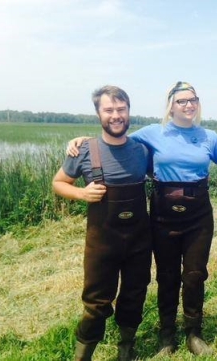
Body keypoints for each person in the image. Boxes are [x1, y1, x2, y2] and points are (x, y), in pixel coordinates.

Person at [68, 81, 217, 357]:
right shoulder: (153, 133)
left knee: (194, 275)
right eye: (181, 101)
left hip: (199, 214)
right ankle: (166, 334)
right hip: (163, 214)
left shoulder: (209, 137)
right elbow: (117, 138)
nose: (188, 105)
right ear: (170, 105)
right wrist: (82, 141)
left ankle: (194, 333)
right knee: (167, 276)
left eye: (193, 100)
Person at [53, 85, 152, 361]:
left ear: (129, 112)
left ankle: (126, 347)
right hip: (102, 241)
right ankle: (83, 354)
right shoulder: (85, 149)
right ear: (98, 113)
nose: (116, 115)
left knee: (135, 292)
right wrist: (82, 193)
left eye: (121, 109)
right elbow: (59, 183)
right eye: (109, 110)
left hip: (139, 240)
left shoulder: (143, 150)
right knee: (96, 301)